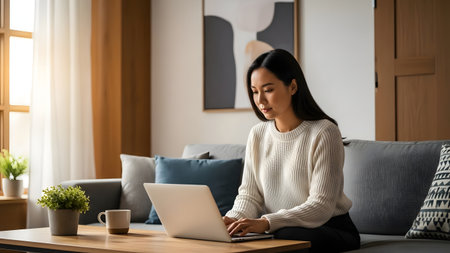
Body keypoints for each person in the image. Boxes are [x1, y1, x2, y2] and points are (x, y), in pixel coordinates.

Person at [223, 49, 360, 253]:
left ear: (293, 86)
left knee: (279, 237)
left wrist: (266, 222)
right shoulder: (257, 134)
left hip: (329, 228)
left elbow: (321, 205)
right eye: (254, 91)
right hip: (280, 228)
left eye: (268, 90)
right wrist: (233, 220)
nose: (260, 100)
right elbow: (250, 196)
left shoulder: (324, 132)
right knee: (248, 237)